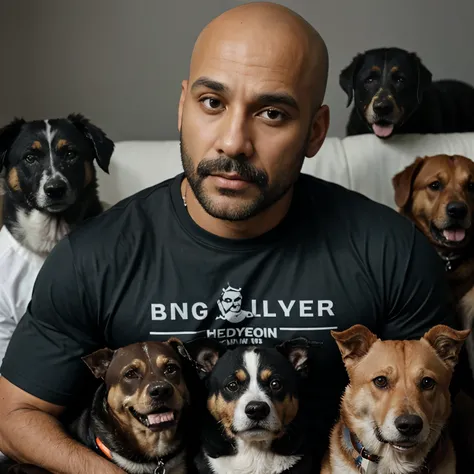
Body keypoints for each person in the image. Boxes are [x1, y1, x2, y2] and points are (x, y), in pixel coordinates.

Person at [0, 2, 467, 473]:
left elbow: (439, 414)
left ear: (315, 131)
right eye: (212, 103)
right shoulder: (94, 256)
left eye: (271, 112)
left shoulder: (391, 251)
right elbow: (14, 416)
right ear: (183, 106)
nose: (232, 141)